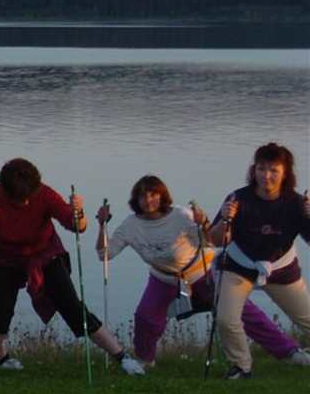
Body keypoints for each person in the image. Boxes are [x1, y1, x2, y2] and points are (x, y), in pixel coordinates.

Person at [96, 175, 305, 367]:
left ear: (162, 196)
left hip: (202, 272)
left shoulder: (180, 215)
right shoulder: (131, 225)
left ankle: (289, 352)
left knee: (242, 313)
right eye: (142, 196)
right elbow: (104, 254)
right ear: (136, 200)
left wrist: (203, 223)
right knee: (145, 317)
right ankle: (144, 361)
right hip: (164, 277)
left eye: (153, 195)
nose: (148, 200)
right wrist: (102, 226)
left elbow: (208, 242)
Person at [0, 159, 145, 379]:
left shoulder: (44, 194)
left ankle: (123, 357)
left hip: (43, 255)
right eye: (18, 198)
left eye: (27, 197)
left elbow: (75, 226)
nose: (24, 202)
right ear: (5, 189)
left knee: (73, 307)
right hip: (3, 259)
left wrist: (78, 212)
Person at [210, 143, 310, 380]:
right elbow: (214, 240)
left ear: (285, 173)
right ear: (253, 170)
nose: (266, 175)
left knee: (306, 318)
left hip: (281, 269)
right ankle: (241, 367)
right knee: (226, 318)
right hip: (239, 266)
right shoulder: (238, 198)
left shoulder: (296, 203)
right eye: (261, 168)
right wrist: (225, 219)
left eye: (274, 170)